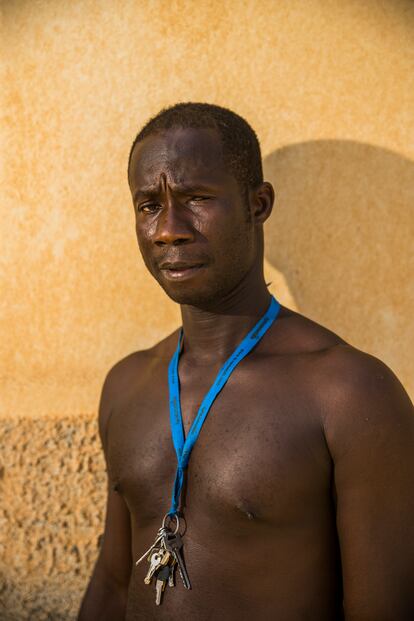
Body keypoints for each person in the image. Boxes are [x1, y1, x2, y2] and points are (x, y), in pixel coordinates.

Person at [78, 103, 414, 621]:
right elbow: (113, 580)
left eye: (196, 198)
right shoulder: (127, 384)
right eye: (149, 205)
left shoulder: (349, 393)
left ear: (258, 204)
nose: (169, 229)